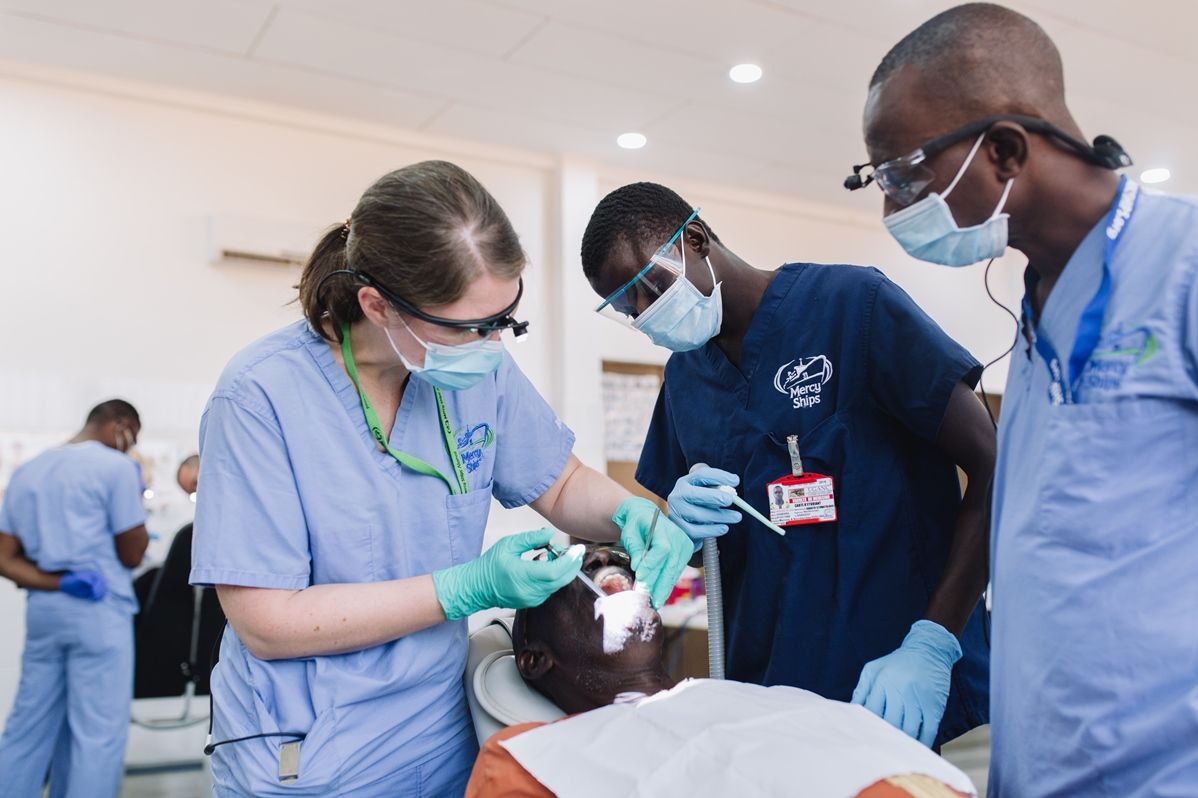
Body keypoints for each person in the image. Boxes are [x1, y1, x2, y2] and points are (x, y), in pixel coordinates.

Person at [190, 160, 693, 797]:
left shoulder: (480, 369)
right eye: (469, 327)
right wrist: (468, 586)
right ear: (377, 305)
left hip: (442, 730)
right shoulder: (261, 396)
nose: (491, 345)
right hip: (310, 746)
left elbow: (559, 484)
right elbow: (267, 620)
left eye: (504, 321)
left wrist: (633, 513)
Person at [851, 4, 1198, 794]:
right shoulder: (1038, 310)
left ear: (1004, 150)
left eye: (904, 175)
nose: (891, 207)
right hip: (1044, 762)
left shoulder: (1182, 265)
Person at [579, 183, 994, 748]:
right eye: (625, 307)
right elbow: (720, 554)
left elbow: (996, 466)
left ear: (695, 240)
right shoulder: (685, 380)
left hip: (895, 685)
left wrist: (934, 642)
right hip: (769, 696)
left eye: (646, 288)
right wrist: (684, 529)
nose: (644, 315)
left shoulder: (852, 306)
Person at [465, 545, 976, 798]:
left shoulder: (766, 698)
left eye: (608, 554)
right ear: (533, 657)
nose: (603, 553)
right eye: (559, 564)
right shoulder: (528, 760)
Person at [0, 399, 150, 798]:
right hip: (100, 614)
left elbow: (5, 558)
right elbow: (132, 553)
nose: (131, 444)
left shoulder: (28, 472)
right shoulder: (117, 468)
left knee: (28, 726)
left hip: (46, 614)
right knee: (97, 733)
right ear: (120, 424)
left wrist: (58, 583)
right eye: (132, 434)